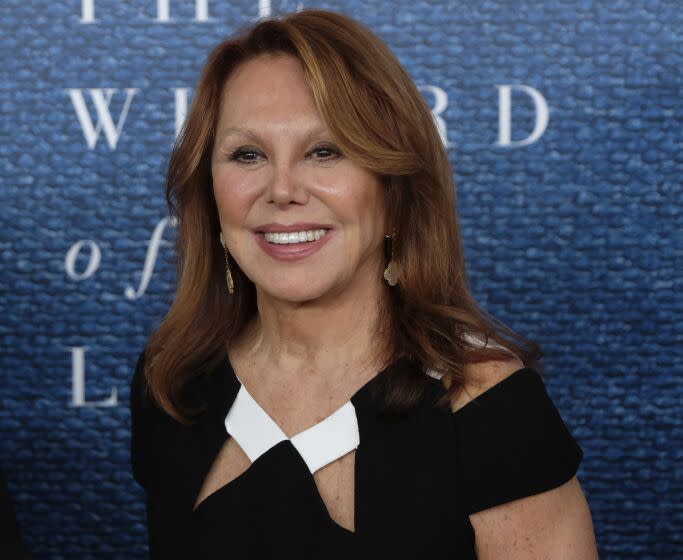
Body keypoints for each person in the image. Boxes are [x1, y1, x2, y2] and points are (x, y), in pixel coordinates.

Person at [129, 8, 598, 558]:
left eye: (325, 151)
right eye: (247, 154)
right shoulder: (172, 385)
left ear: (395, 194)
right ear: (209, 197)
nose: (282, 189)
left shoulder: (489, 409)